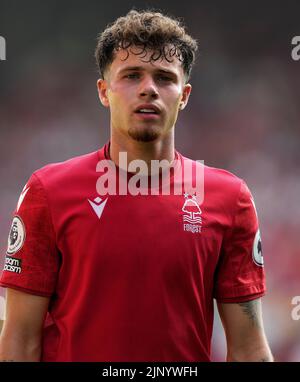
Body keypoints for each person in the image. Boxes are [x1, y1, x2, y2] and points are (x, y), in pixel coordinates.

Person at [0, 9, 273, 362]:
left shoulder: (229, 198)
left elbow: (249, 349)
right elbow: (19, 343)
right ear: (104, 91)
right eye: (131, 76)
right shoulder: (48, 192)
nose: (148, 89)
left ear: (184, 95)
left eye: (164, 78)